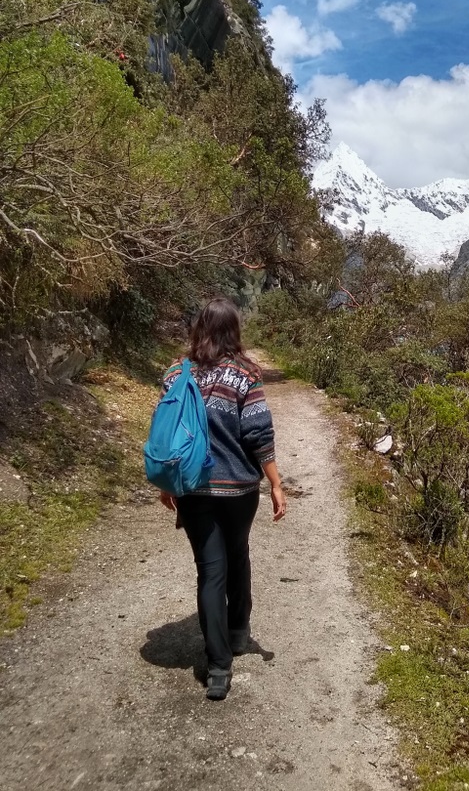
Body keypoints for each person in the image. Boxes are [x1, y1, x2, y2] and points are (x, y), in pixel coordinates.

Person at [158, 296, 286, 700]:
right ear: (234, 330)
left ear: (199, 328)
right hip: (239, 492)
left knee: (210, 572)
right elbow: (258, 435)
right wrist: (276, 484)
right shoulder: (246, 373)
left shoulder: (176, 373)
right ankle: (238, 632)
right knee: (238, 555)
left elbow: (167, 432)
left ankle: (217, 669)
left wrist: (167, 483)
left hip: (193, 489)